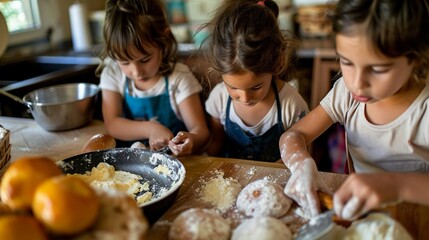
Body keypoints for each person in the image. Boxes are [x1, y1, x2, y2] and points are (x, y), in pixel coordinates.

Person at [279, 0, 429, 220]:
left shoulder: (424, 110)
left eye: (377, 69)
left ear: (415, 59)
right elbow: (293, 136)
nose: (357, 83)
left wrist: (395, 186)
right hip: (364, 215)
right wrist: (303, 163)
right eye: (346, 62)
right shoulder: (346, 95)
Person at [96, 0, 209, 156]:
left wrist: (191, 141)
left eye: (145, 59)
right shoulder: (113, 73)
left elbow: (201, 131)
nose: (136, 72)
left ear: (163, 40)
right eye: (124, 62)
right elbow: (112, 124)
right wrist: (151, 128)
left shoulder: (179, 78)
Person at [202, 0, 309, 162]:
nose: (245, 98)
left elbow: (302, 156)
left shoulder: (292, 106)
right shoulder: (219, 99)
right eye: (232, 87)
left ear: (277, 63)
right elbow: (215, 145)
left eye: (256, 87)